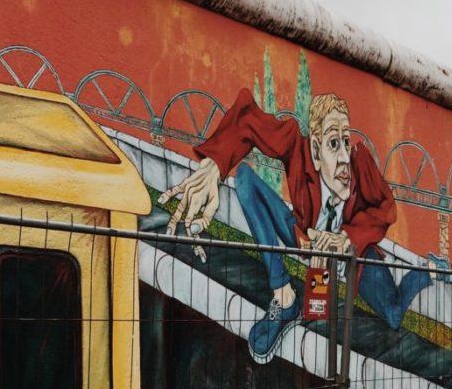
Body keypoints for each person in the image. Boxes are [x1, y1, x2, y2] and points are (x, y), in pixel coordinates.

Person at [160, 88, 431, 363]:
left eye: (346, 142)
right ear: (315, 150)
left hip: (353, 256)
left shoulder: (360, 162)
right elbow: (247, 118)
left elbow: (385, 209)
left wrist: (348, 238)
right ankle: (283, 295)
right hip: (308, 241)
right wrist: (215, 165)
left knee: (393, 316)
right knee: (244, 178)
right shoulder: (298, 149)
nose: (344, 158)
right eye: (333, 144)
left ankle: (427, 272)